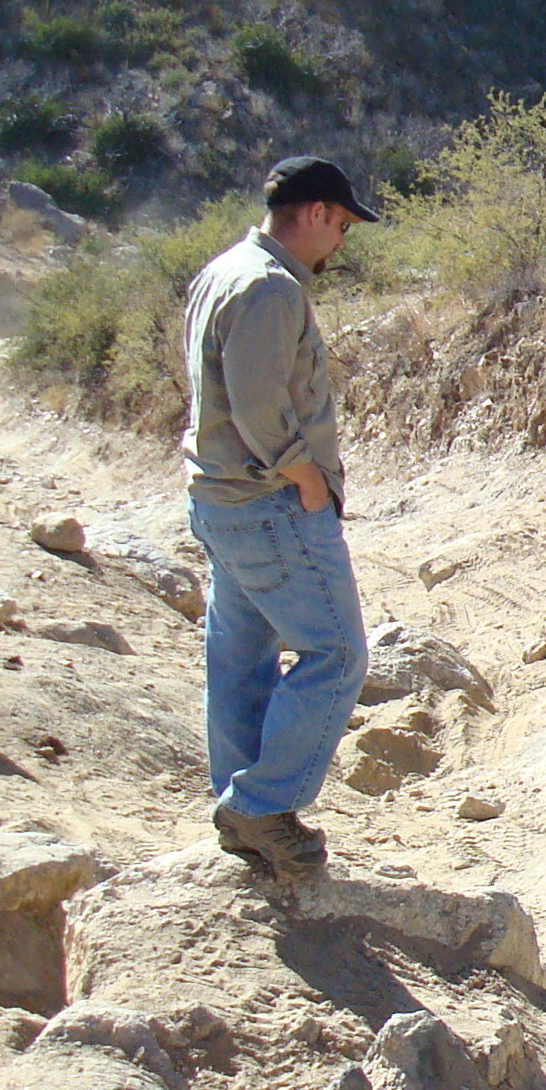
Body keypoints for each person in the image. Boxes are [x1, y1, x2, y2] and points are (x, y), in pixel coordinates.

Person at [181, 154, 383, 882]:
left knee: (240, 659)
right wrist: (307, 481)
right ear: (317, 212)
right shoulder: (269, 287)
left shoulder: (223, 270)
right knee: (338, 655)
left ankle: (242, 811)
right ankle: (263, 807)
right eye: (343, 225)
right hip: (269, 502)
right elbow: (260, 408)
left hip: (222, 500)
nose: (342, 241)